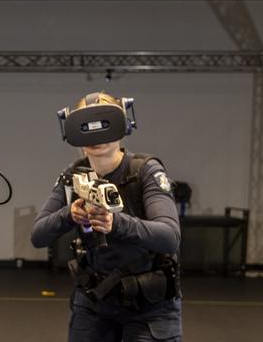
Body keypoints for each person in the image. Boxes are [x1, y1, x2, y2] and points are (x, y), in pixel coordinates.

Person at [31, 92, 182, 341]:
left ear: (122, 126)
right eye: (87, 126)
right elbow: (38, 235)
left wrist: (116, 222)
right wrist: (70, 214)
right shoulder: (73, 176)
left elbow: (169, 237)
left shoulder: (144, 171)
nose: (97, 136)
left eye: (105, 123)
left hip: (150, 306)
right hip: (94, 302)